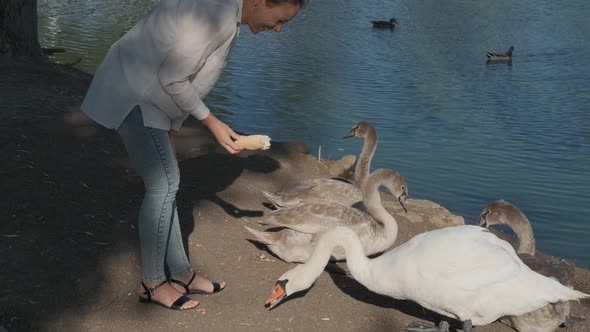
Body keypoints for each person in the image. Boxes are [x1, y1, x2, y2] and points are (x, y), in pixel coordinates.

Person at [81, 0, 305, 310]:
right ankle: (153, 283)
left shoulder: (230, 13)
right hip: (133, 93)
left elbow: (188, 76)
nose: (279, 29)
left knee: (167, 184)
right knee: (164, 186)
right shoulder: (217, 13)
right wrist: (213, 123)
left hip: (152, 99)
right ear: (259, 1)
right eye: (279, 19)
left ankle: (182, 274)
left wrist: (171, 127)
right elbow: (172, 77)